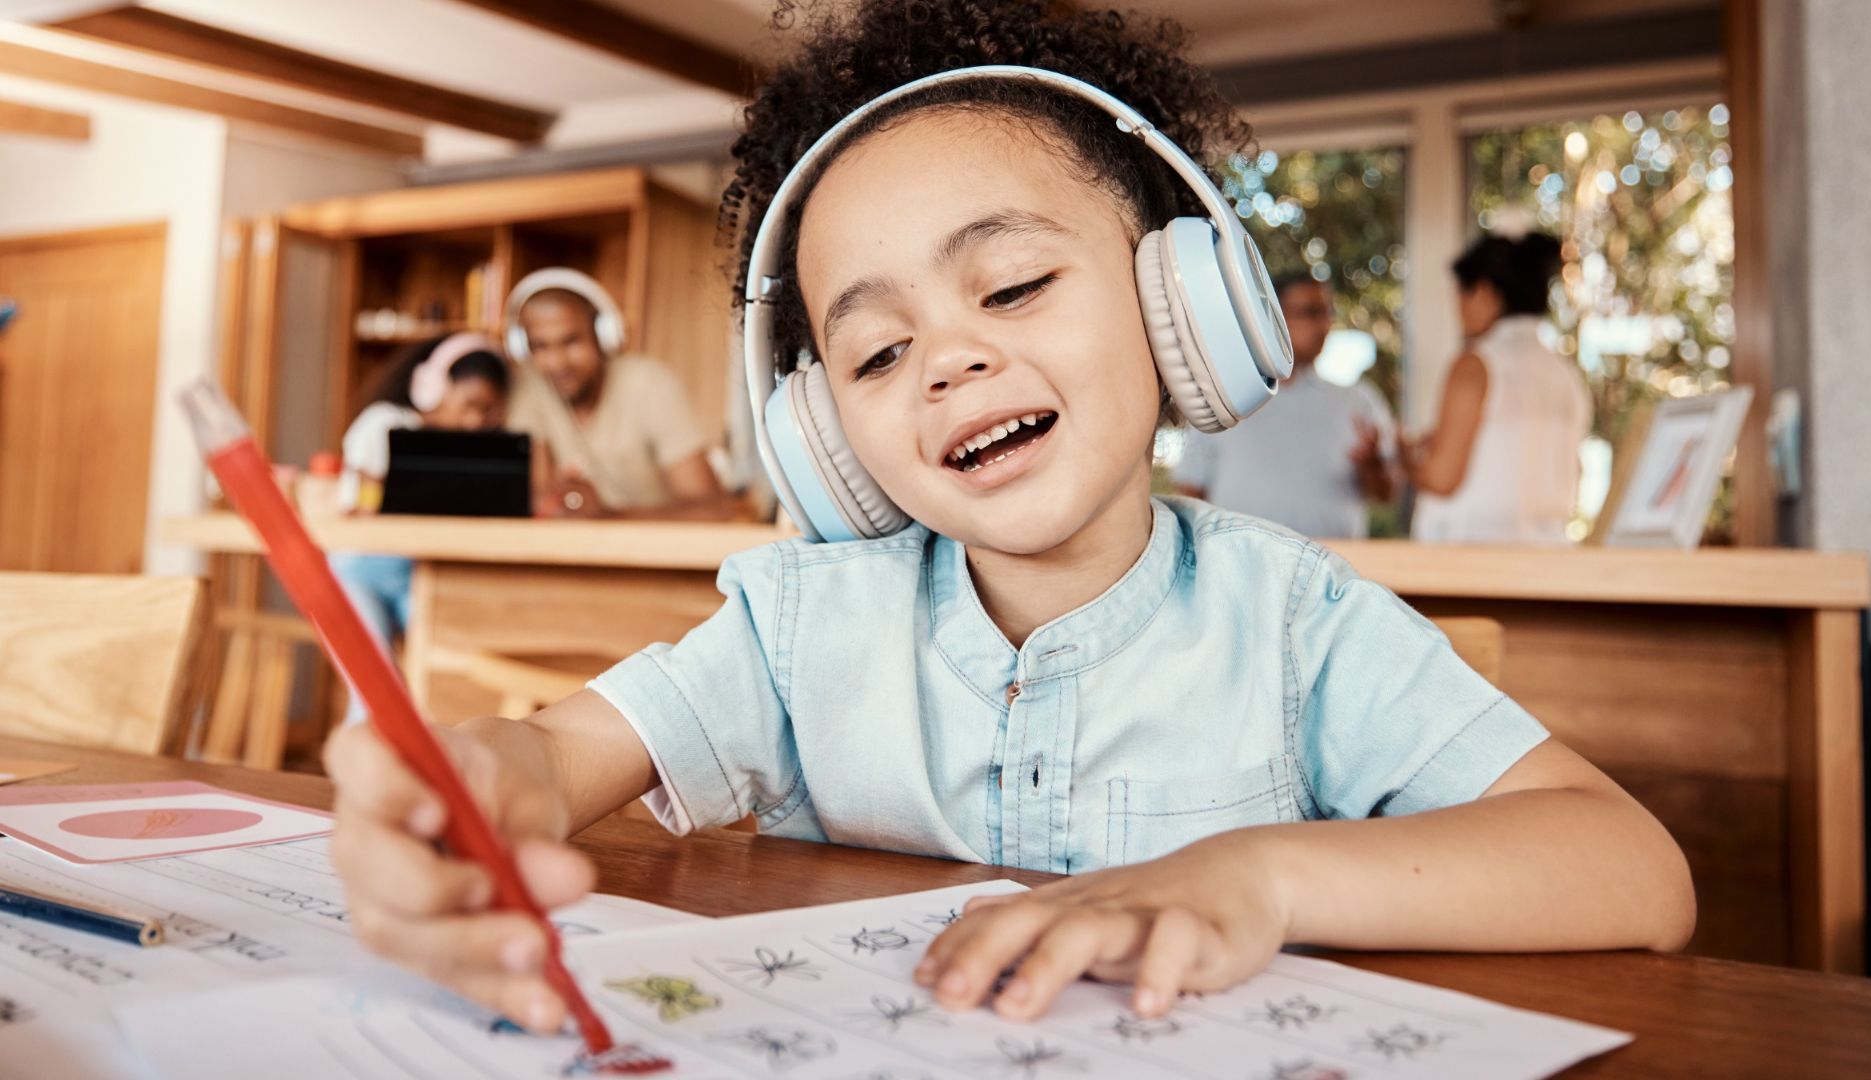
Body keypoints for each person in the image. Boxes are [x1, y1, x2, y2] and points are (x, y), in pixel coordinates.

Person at [323, 0, 1693, 1034]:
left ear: (1179, 308)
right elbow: (552, 753)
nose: (948, 360)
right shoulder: (798, 629)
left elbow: (1635, 871)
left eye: (1016, 285)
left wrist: (1260, 877)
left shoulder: (1298, 625)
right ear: (825, 437)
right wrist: (483, 783)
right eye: (875, 352)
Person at [330, 332, 510, 722]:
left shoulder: (468, 447)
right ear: (433, 388)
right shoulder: (384, 423)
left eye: (487, 412)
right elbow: (364, 506)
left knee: (450, 673)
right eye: (470, 405)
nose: (475, 421)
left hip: (419, 574)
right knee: (374, 694)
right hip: (358, 570)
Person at [1173, 273, 1395, 537]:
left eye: (1328, 313)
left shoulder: (1357, 400)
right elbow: (1191, 490)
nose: (1325, 324)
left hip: (1335, 561)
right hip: (1238, 561)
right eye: (1311, 312)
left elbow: (1386, 494)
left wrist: (1372, 467)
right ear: (1271, 317)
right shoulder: (1222, 398)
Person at [1405, 232, 1592, 543]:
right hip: (1550, 554)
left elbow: (1442, 476)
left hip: (1473, 555)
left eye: (1460, 298)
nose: (1458, 312)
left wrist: (1404, 458)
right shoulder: (1566, 374)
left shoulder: (1476, 365)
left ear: (1483, 293)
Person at [502, 268, 729, 519]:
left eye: (571, 341)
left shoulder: (649, 384)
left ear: (603, 335)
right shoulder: (531, 388)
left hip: (654, 543)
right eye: (540, 346)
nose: (557, 363)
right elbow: (536, 500)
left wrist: (608, 515)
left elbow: (712, 510)